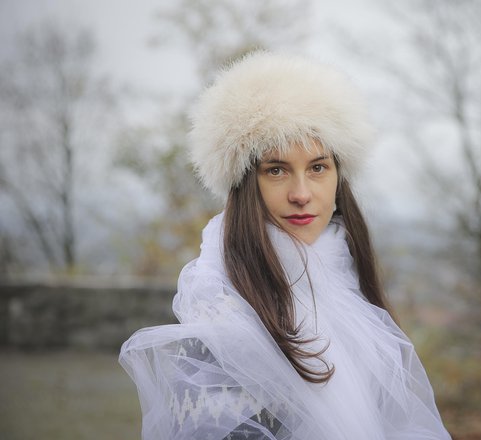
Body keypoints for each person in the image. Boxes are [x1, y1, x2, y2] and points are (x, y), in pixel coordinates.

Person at [119, 51, 452, 440]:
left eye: (317, 167)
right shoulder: (221, 315)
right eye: (276, 170)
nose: (301, 194)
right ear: (246, 184)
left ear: (339, 176)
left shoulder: (340, 275)